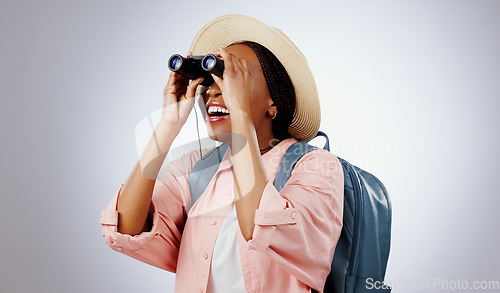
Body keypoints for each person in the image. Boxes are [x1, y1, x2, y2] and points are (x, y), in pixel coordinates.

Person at [100, 14, 344, 293]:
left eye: (233, 77)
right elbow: (125, 228)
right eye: (211, 79)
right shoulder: (195, 168)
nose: (213, 91)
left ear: (273, 101)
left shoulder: (316, 166)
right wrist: (168, 125)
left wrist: (239, 112)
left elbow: (259, 226)